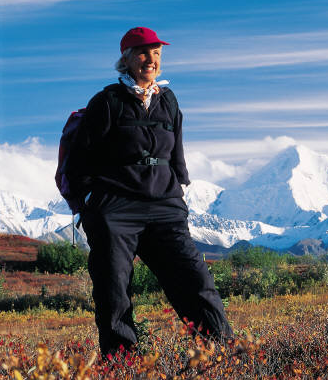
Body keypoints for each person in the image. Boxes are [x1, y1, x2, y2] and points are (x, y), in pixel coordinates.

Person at [66, 27, 233, 355]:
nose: (151, 59)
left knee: (195, 281)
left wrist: (178, 193)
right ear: (125, 59)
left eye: (156, 53)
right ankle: (123, 366)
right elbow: (79, 161)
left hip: (165, 206)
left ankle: (223, 354)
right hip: (116, 209)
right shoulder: (107, 102)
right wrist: (92, 204)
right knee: (114, 291)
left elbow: (177, 153)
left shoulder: (168, 100)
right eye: (142, 52)